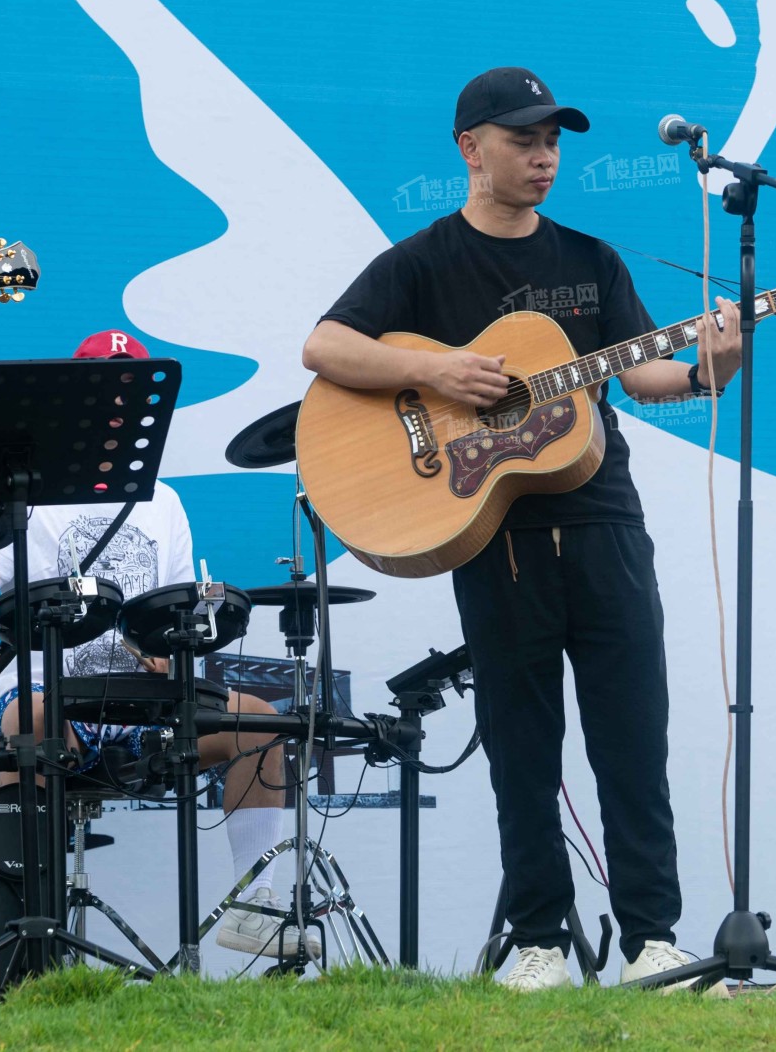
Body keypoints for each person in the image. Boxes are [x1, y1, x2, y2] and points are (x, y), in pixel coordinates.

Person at [302, 67, 742, 991]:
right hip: (491, 531)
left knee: (632, 734)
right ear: (471, 149)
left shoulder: (592, 259)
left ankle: (651, 940)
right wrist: (444, 374)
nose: (543, 158)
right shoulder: (422, 261)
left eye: (553, 142)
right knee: (522, 741)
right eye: (523, 141)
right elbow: (326, 346)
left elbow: (643, 378)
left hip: (603, 517)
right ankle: (538, 939)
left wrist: (714, 365)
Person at [0, 329, 309, 962]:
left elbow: (169, 615)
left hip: (136, 709)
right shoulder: (23, 496)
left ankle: (257, 908)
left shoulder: (164, 502)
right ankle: (24, 936)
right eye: (104, 392)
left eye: (133, 393)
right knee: (31, 723)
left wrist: (174, 648)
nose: (119, 406)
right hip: (43, 693)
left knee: (261, 724)